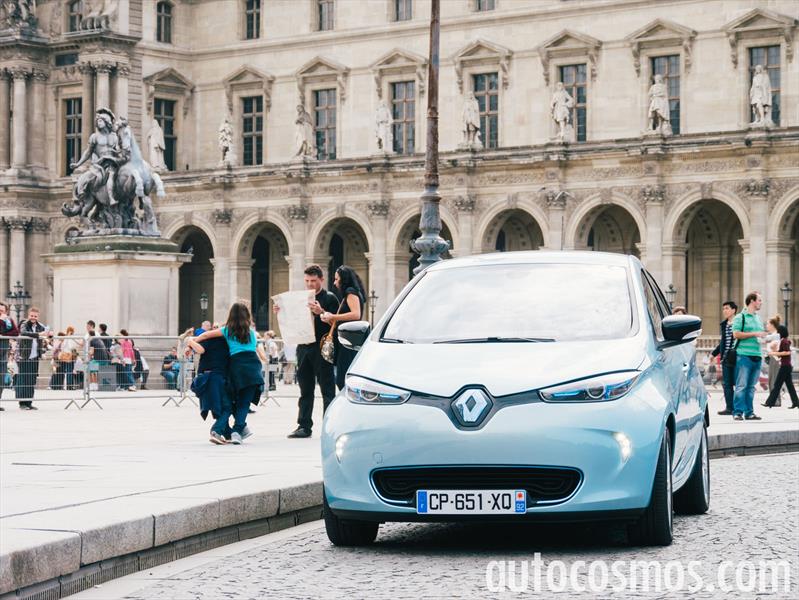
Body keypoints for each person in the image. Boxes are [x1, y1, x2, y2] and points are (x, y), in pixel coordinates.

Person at [278, 264, 339, 438]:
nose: (310, 284)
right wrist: (281, 311)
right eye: (307, 281)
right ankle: (304, 426)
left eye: (313, 281)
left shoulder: (330, 298)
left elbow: (337, 324)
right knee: (305, 389)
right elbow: (290, 320)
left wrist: (321, 312)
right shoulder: (299, 298)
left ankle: (329, 427)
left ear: (321, 279)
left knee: (327, 389)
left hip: (322, 347)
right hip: (303, 347)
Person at [193, 303, 266, 444]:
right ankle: (238, 431)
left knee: (234, 400)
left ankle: (231, 429)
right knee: (245, 402)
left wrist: (192, 341)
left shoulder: (227, 330)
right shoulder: (252, 332)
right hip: (252, 365)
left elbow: (206, 334)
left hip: (237, 365)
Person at [321, 266, 366, 391]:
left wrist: (333, 316)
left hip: (348, 341)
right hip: (348, 340)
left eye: (336, 279)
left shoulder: (350, 292)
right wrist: (329, 318)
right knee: (343, 378)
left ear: (344, 279)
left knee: (342, 379)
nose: (334, 283)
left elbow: (356, 314)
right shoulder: (351, 293)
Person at [187, 323, 232, 445]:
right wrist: (190, 341)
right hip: (216, 377)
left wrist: (191, 343)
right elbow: (201, 350)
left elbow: (200, 349)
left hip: (206, 377)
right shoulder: (227, 344)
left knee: (219, 407)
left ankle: (228, 434)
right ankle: (216, 430)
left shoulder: (210, 340)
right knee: (227, 407)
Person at [731, 291, 766, 421]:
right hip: (743, 355)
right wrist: (754, 334)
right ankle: (738, 412)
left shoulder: (758, 318)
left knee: (751, 387)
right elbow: (736, 334)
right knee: (741, 385)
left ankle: (749, 412)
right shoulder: (741, 317)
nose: (761, 303)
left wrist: (763, 337)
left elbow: (758, 335)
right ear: (752, 301)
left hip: (757, 355)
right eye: (759, 300)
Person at [17, 307, 47, 410]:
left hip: (34, 357)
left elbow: (46, 335)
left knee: (32, 380)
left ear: (38, 317)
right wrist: (38, 335)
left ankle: (29, 402)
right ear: (28, 315)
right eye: (32, 316)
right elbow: (23, 333)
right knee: (24, 380)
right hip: (25, 357)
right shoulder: (24, 324)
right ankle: (22, 403)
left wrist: (49, 334)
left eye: (35, 316)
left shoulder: (40, 326)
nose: (33, 318)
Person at [762, 325, 799, 409]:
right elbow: (781, 353)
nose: (777, 333)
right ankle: (796, 402)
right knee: (790, 386)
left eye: (778, 332)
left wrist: (773, 353)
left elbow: (787, 352)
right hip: (786, 366)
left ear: (781, 332)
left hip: (785, 367)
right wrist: (773, 351)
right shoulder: (783, 341)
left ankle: (769, 402)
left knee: (777, 384)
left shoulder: (784, 341)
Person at [711, 301, 738, 415]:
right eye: (723, 309)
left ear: (733, 310)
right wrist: (713, 353)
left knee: (739, 384)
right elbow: (723, 342)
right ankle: (729, 408)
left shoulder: (739, 323)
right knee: (727, 384)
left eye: (727, 308)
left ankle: (738, 407)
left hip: (737, 357)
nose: (724, 311)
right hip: (726, 359)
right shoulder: (724, 324)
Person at [0, 302, 19, 410]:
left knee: (1, 380)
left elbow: (16, 332)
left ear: (6, 311)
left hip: (2, 354)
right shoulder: (3, 321)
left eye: (2, 311)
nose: (1, 313)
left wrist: (3, 335)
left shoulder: (9, 320)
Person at [764, 316, 783, 406]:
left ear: (772, 325)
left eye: (768, 324)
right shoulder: (774, 335)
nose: (766, 326)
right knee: (772, 380)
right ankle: (775, 400)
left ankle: (775, 401)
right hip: (773, 359)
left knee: (774, 380)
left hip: (775, 359)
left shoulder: (776, 335)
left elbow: (762, 339)